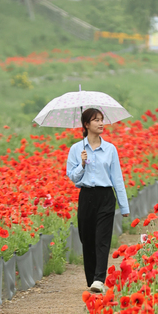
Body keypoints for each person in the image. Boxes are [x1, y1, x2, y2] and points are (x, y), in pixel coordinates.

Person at [66, 107, 130, 294]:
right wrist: (82, 164)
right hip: (86, 197)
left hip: (105, 197)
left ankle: (99, 279)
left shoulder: (110, 149)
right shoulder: (76, 149)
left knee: (102, 239)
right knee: (87, 239)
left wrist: (124, 205)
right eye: (96, 120)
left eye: (102, 119)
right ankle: (92, 277)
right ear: (86, 124)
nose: (101, 123)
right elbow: (73, 178)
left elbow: (117, 178)